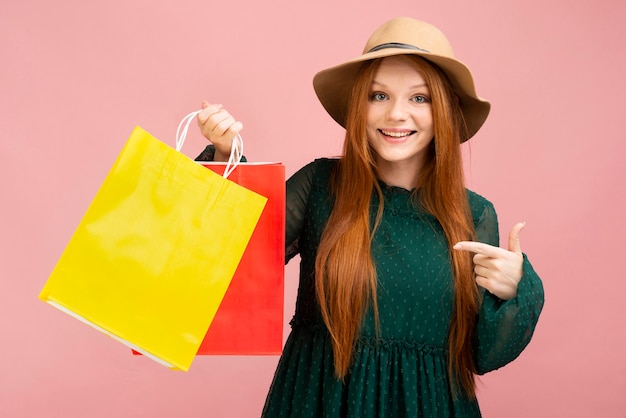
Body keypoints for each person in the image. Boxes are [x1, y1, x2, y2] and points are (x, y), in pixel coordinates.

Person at [196, 17, 544, 418]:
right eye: (379, 96)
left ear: (445, 110)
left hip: (429, 408)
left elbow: (483, 355)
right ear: (359, 104)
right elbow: (228, 261)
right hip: (319, 403)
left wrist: (514, 290)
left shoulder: (474, 214)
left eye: (420, 98)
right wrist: (224, 159)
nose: (397, 114)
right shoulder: (320, 185)